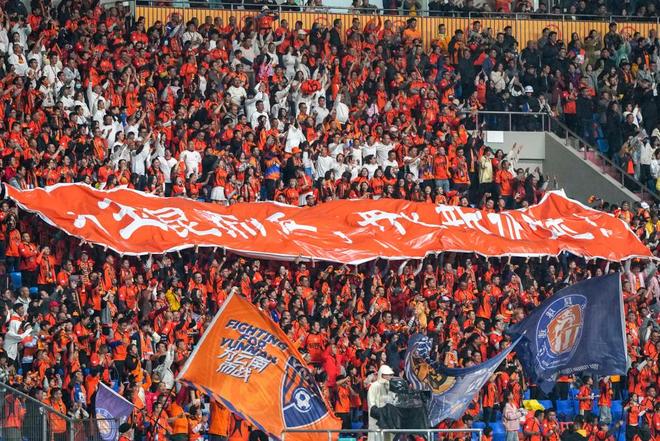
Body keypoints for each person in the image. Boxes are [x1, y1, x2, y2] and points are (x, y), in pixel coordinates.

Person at [367, 365, 394, 441]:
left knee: (389, 437)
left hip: (388, 417)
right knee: (377, 437)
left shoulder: (391, 386)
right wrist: (379, 413)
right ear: (382, 374)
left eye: (390, 375)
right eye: (387, 375)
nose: (389, 377)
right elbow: (371, 403)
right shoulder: (374, 386)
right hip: (377, 417)